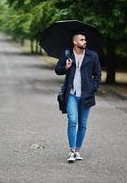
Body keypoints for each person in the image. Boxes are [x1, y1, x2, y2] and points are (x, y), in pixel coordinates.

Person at [55, 32, 101, 163]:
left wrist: (93, 88)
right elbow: (57, 70)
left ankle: (78, 150)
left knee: (82, 124)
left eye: (85, 39)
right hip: (71, 94)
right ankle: (72, 151)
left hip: (86, 95)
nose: (84, 41)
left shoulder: (92, 56)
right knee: (72, 121)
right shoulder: (67, 54)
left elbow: (98, 74)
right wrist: (66, 67)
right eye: (82, 40)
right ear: (75, 42)